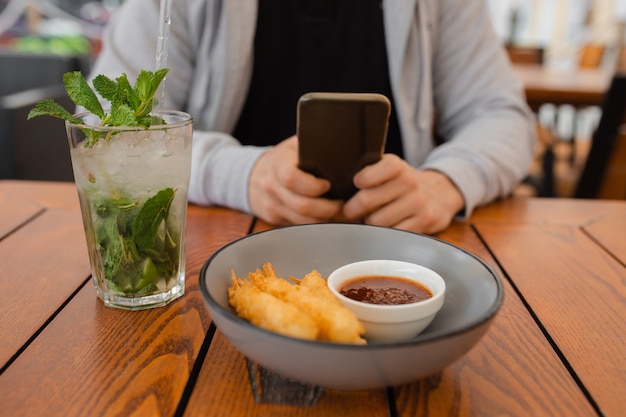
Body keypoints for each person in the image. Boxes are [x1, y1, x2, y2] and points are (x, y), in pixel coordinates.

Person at [89, 0, 536, 234]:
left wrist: (446, 184)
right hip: (220, 247)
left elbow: (501, 114)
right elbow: (109, 123)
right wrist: (241, 176)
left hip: (396, 246)